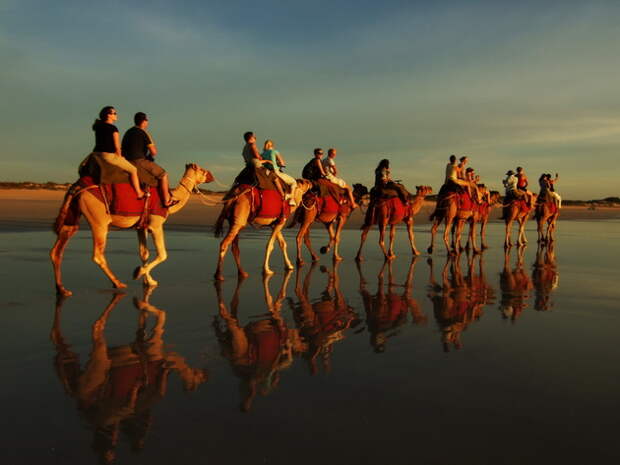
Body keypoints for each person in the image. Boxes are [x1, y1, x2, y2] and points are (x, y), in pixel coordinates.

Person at [121, 112, 176, 207]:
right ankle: (167, 201)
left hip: (126, 161)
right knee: (163, 174)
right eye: (147, 120)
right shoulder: (144, 133)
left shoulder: (128, 132)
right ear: (143, 122)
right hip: (138, 160)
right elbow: (154, 152)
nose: (147, 122)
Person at [91, 106, 144, 198]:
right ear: (108, 115)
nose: (116, 115)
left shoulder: (98, 127)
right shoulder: (113, 128)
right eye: (114, 113)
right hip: (108, 156)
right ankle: (139, 192)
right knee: (133, 170)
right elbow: (117, 147)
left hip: (96, 155)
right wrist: (120, 157)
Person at [261, 139, 297, 206]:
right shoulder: (275, 151)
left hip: (266, 172)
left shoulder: (262, 154)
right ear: (272, 145)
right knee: (293, 182)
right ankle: (291, 198)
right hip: (275, 171)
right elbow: (282, 162)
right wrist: (281, 164)